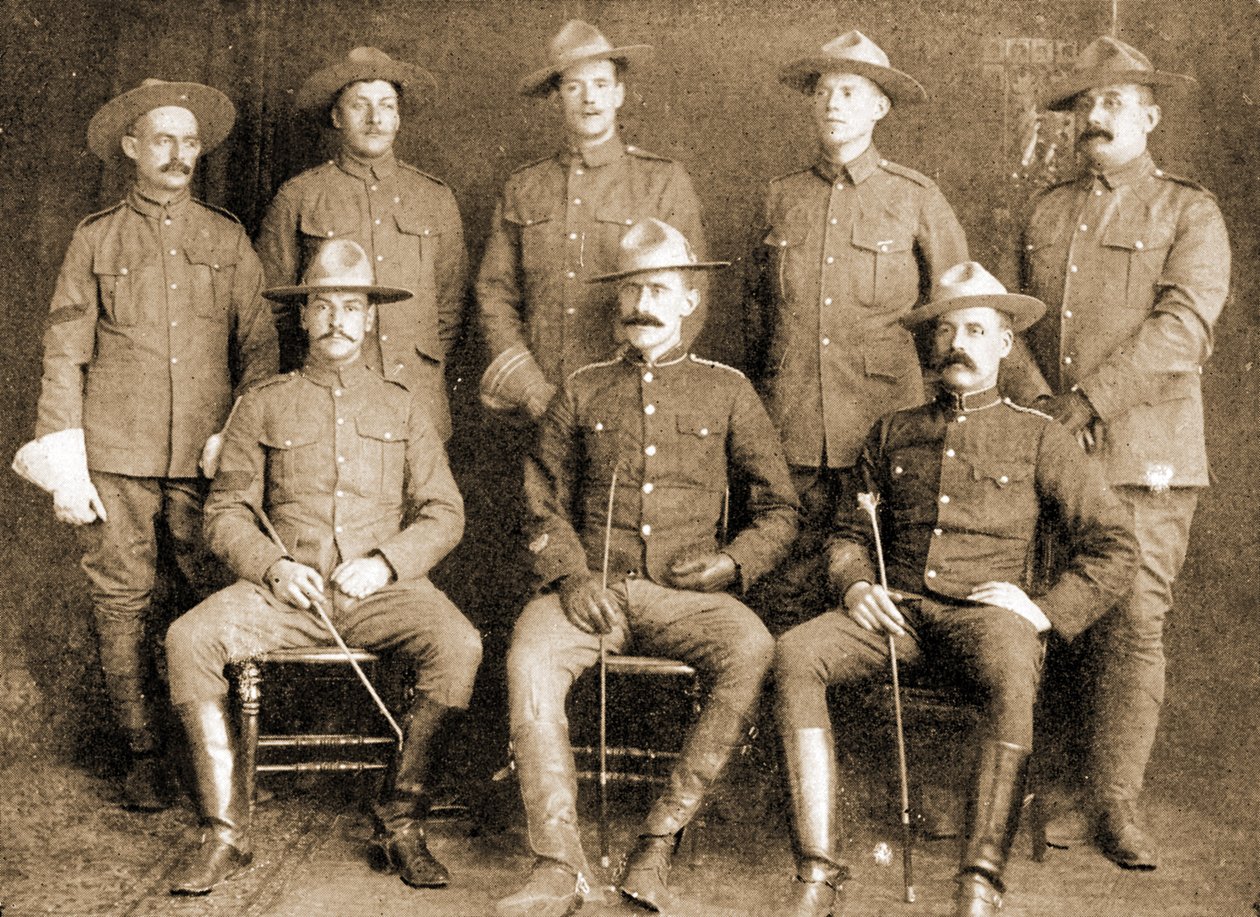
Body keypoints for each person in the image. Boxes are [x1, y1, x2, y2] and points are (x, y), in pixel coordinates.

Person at [773, 262, 1137, 917]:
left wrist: (1045, 610)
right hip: (897, 614)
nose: (956, 344)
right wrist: (856, 585)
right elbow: (848, 533)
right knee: (797, 652)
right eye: (944, 330)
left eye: (975, 329)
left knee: (1011, 656)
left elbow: (1116, 544)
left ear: (1003, 344)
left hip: (986, 617)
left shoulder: (1039, 436)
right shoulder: (892, 431)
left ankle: (980, 878)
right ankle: (819, 868)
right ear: (928, 344)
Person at [495, 220, 799, 917]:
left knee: (751, 644)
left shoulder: (728, 391)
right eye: (631, 288)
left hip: (685, 599)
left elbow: (781, 510)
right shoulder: (583, 387)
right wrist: (571, 577)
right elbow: (539, 503)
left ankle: (658, 841)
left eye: (659, 289)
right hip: (589, 593)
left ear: (691, 300)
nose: (642, 303)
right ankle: (557, 861)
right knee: (529, 657)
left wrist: (731, 562)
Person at [162, 239, 481, 896]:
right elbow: (224, 512)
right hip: (283, 598)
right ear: (304, 318)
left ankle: (401, 821)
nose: (337, 318)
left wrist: (387, 564)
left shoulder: (403, 405)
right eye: (323, 305)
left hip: (382, 595)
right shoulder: (263, 403)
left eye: (352, 306)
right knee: (187, 638)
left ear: (369, 319)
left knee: (460, 642)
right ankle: (226, 831)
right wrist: (273, 565)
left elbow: (444, 513)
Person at [12, 78, 277, 811]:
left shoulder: (225, 237)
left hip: (206, 455)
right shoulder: (96, 237)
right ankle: (141, 753)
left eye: (190, 142)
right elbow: (64, 350)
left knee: (220, 597)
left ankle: (215, 759)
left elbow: (259, 349)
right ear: (132, 147)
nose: (179, 155)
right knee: (120, 602)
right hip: (117, 452)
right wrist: (65, 458)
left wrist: (237, 434)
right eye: (163, 140)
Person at [1012, 36, 1230, 869]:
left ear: (1150, 115)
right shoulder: (1048, 208)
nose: (1095, 118)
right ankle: (1055, 794)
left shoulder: (1188, 211)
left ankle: (1117, 804)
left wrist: (1091, 400)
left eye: (1113, 102)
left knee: (1134, 623)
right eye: (1085, 105)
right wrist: (1038, 404)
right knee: (1052, 612)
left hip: (1147, 456)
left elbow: (1183, 329)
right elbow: (1012, 319)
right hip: (1056, 445)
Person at [746, 31, 968, 632]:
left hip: (883, 432)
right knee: (782, 593)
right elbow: (759, 319)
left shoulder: (916, 197)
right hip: (790, 432)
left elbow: (959, 315)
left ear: (880, 107)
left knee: (878, 597)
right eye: (822, 91)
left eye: (850, 91)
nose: (832, 104)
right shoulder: (781, 197)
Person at [476, 20, 706, 421]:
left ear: (619, 93)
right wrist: (532, 390)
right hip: (541, 403)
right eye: (574, 87)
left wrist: (638, 380)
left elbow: (692, 290)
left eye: (601, 85)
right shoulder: (524, 186)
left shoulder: (662, 181)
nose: (589, 99)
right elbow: (495, 295)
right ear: (556, 98)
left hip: (631, 401)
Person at [255, 46, 467, 439]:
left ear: (398, 117)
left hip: (416, 398)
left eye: (387, 105)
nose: (375, 118)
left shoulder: (435, 198)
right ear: (336, 116)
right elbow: (272, 309)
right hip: (327, 399)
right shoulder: (300, 196)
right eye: (359, 105)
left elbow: (450, 309)